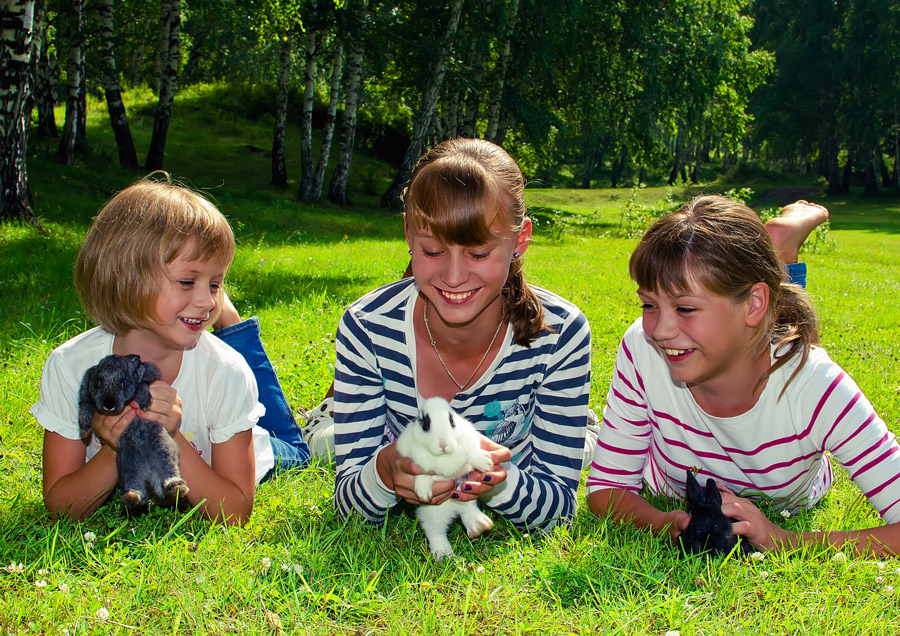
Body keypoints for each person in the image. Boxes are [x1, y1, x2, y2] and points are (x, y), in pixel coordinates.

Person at [586, 195, 900, 556]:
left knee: (777, 329)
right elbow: (606, 489)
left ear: (754, 304)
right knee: (747, 322)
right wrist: (662, 521)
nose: (660, 330)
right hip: (752, 310)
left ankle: (780, 251)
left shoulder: (815, 385)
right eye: (649, 304)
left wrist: (786, 540)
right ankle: (776, 252)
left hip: (767, 342)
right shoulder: (644, 349)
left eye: (685, 308)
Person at [331, 138, 592, 531]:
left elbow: (558, 510)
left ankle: (586, 430)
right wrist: (384, 472)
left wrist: (495, 482)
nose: (453, 278)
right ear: (408, 234)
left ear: (520, 240)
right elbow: (349, 507)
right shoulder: (367, 327)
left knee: (587, 448)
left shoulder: (560, 334)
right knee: (326, 441)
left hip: (528, 451)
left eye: (479, 254)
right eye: (433, 251)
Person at [31, 177, 309, 525]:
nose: (207, 300)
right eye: (187, 281)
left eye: (215, 284)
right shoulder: (70, 367)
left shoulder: (225, 372)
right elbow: (61, 505)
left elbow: (235, 512)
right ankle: (226, 320)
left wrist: (172, 437)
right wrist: (116, 446)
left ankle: (233, 325)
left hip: (258, 444)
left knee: (297, 451)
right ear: (125, 278)